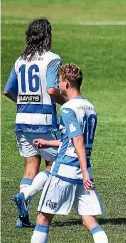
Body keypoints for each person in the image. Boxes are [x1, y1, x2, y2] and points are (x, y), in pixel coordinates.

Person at [30, 64, 108, 243]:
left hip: (65, 169)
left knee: (43, 218)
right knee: (89, 220)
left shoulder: (67, 109)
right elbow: (72, 140)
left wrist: (84, 170)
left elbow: (78, 139)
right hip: (84, 169)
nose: (57, 84)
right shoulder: (90, 107)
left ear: (66, 83)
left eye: (59, 81)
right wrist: (48, 142)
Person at [3, 18, 66, 228]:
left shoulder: (21, 60)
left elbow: (8, 90)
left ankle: (22, 217)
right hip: (44, 121)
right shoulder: (52, 59)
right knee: (57, 164)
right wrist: (67, 104)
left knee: (31, 167)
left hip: (22, 120)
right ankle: (26, 196)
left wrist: (23, 102)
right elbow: (51, 90)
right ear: (47, 36)